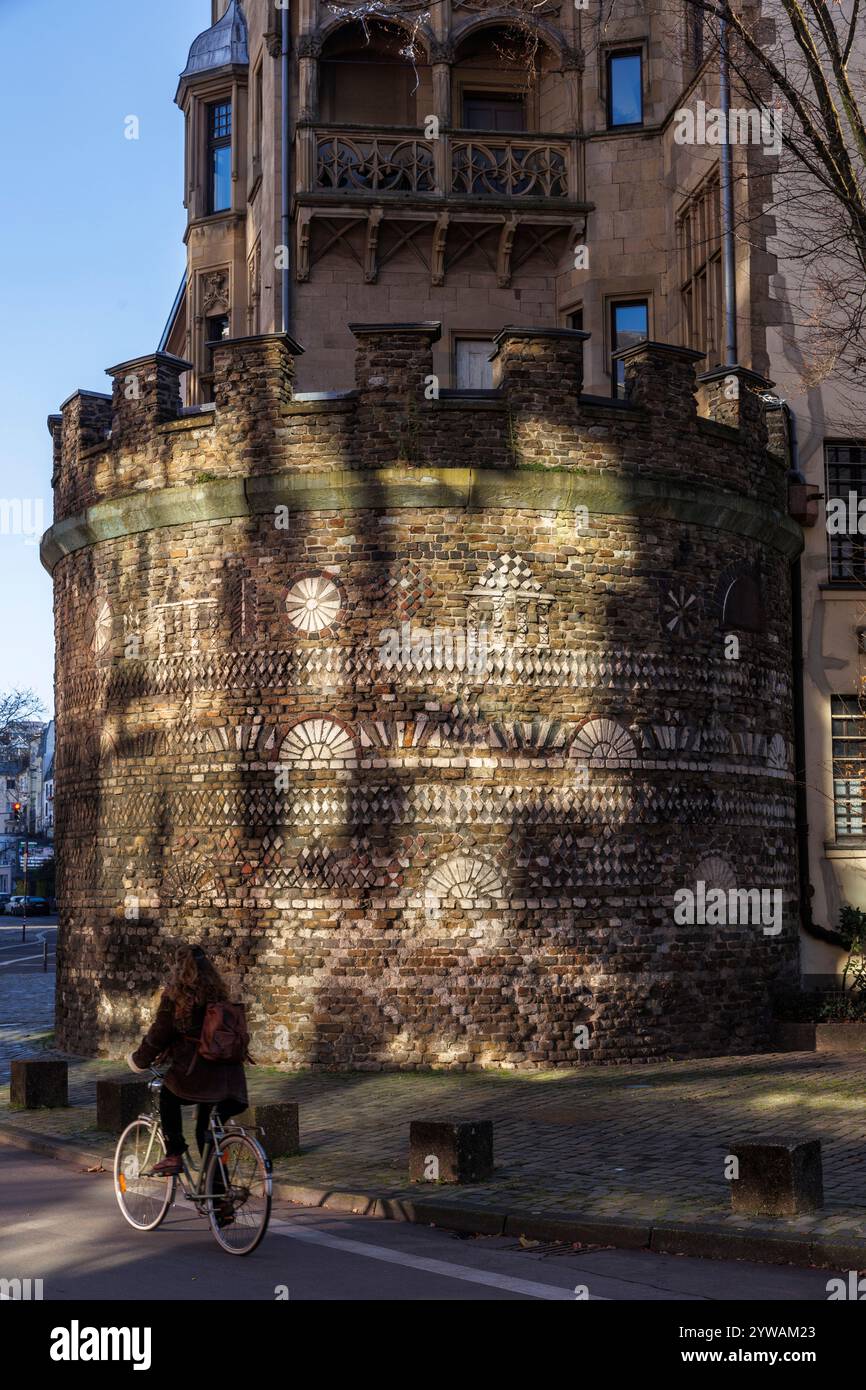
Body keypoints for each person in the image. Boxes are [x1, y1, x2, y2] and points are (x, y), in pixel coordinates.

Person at [127, 944, 248, 1178]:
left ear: (179, 969)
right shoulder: (219, 994)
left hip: (197, 1075)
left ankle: (173, 1154)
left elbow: (158, 1035)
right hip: (232, 1079)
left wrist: (139, 1061)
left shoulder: (176, 997)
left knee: (168, 1096)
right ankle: (221, 1203)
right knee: (207, 1134)